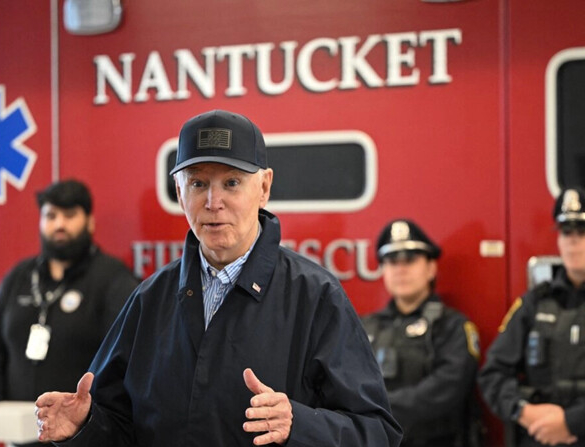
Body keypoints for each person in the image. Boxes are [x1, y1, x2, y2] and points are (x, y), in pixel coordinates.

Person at [34, 110, 403, 447]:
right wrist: (85, 427)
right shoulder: (149, 299)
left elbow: (378, 433)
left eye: (231, 182)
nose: (213, 202)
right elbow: (122, 427)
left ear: (264, 188)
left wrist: (300, 424)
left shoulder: (316, 296)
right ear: (179, 192)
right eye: (197, 183)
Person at [0, 179, 139, 447]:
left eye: (70, 215)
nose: (59, 225)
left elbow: (128, 360)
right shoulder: (18, 277)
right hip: (19, 436)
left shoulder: (114, 280)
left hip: (82, 437)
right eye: (51, 215)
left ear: (89, 222)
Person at [478, 187, 585, 447]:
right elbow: (493, 373)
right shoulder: (535, 302)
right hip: (539, 437)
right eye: (566, 233)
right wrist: (522, 411)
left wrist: (571, 422)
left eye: (583, 232)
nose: (572, 241)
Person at [361, 219, 481, 447]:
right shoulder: (365, 327)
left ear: (430, 268)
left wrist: (380, 408)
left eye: (410, 259)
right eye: (392, 261)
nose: (400, 269)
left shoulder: (453, 326)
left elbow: (447, 389)